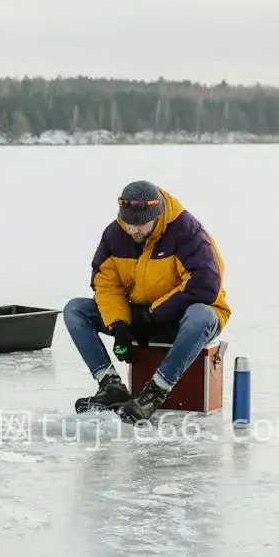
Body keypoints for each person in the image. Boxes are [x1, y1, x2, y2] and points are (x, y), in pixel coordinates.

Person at [63, 179, 231, 422]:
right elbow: (106, 284)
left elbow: (205, 283)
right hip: (141, 319)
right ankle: (110, 386)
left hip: (183, 320)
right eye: (128, 223)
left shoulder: (186, 231)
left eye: (140, 224)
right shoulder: (115, 234)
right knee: (75, 310)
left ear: (157, 214)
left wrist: (153, 314)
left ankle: (155, 391)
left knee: (200, 315)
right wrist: (119, 325)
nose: (133, 231)